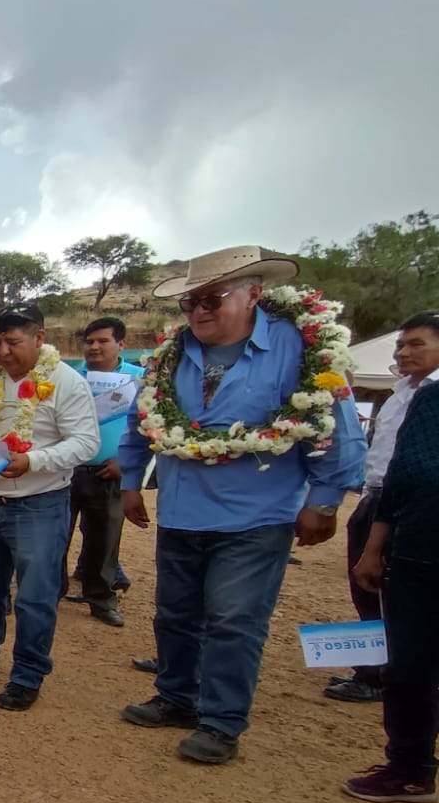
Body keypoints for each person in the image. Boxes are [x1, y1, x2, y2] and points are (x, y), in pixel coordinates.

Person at [118, 247, 366, 763]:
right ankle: (176, 696)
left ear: (253, 295)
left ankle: (221, 722)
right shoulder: (170, 355)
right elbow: (141, 420)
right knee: (175, 613)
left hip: (257, 516)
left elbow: (335, 431)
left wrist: (324, 501)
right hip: (182, 510)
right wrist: (130, 480)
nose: (198, 311)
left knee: (233, 618)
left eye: (212, 299)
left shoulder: (302, 349)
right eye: (190, 303)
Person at [0, 303, 99, 710]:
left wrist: (32, 461)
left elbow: (86, 442)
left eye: (12, 342)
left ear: (39, 338)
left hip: (41, 505)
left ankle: (27, 676)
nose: (2, 352)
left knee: (34, 596)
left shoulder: (65, 381)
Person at [344, 381, 439, 803]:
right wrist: (375, 546)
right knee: (406, 669)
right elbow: (400, 477)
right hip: (417, 550)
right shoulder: (430, 400)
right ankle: (409, 768)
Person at [328, 311, 439, 703]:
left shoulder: (433, 396)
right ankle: (374, 671)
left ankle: (398, 675)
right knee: (365, 588)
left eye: (416, 344)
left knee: (404, 596)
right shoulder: (400, 392)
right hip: (374, 499)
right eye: (400, 345)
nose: (403, 352)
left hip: (415, 510)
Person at [63, 317, 144, 628]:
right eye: (89, 341)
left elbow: (151, 427)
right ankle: (50, 593)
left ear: (121, 344)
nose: (94, 347)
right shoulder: (70, 378)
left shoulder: (139, 379)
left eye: (102, 341)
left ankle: (100, 599)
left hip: (110, 473)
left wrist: (125, 463)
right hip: (67, 470)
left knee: (105, 540)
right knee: (56, 537)